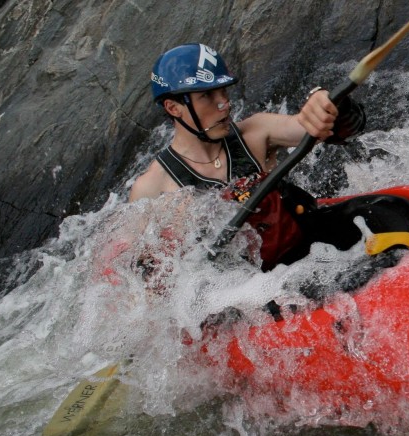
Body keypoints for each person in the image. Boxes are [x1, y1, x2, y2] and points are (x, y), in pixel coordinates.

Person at [129, 43, 365, 268]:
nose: (224, 104)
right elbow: (145, 281)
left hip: (312, 254)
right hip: (255, 294)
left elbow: (332, 128)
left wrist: (324, 102)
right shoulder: (153, 188)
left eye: (223, 91)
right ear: (173, 108)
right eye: (207, 96)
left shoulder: (256, 132)